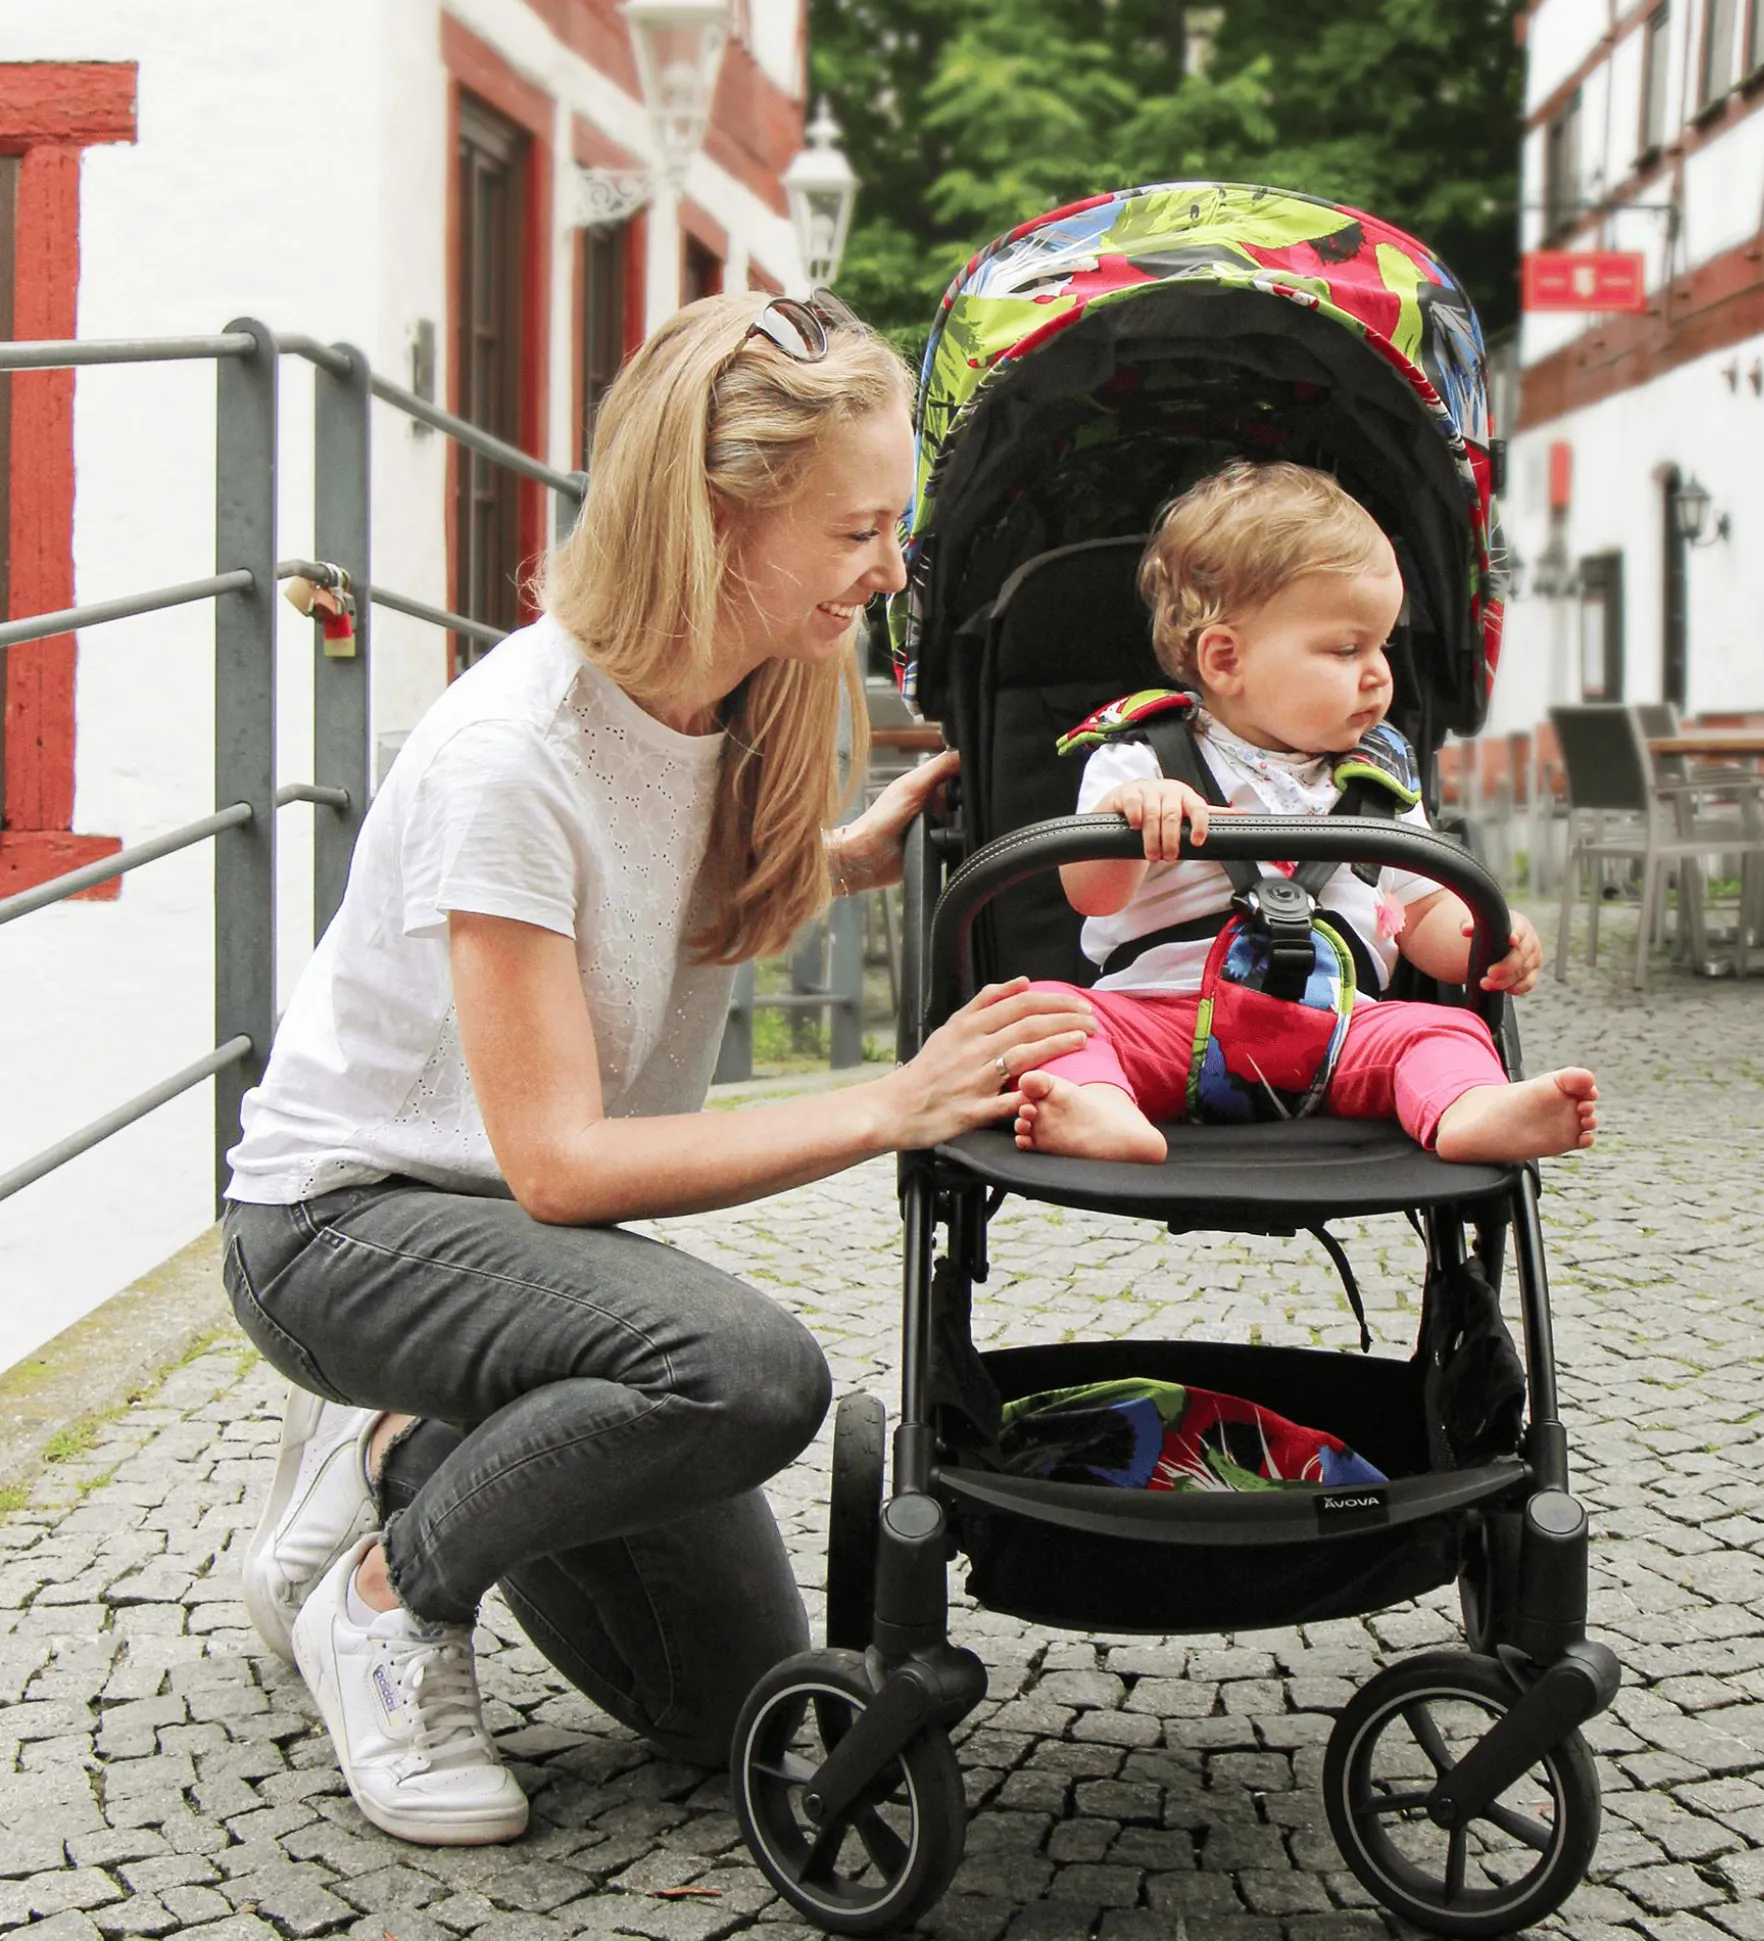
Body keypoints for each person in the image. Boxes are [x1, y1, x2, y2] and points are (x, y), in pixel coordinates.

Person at [221, 291, 1096, 1849]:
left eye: (893, 527)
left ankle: (400, 1448)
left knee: (718, 1705)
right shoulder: (509, 755)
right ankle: (389, 1599)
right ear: (714, 520)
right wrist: (889, 1102)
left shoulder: (741, 693)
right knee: (746, 1375)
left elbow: (645, 898)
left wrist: (837, 857)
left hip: (521, 1250)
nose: (889, 570)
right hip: (345, 1225)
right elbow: (559, 1163)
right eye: (856, 532)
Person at [1011, 460, 1597, 1168]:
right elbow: (1090, 896)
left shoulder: (1377, 784)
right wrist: (1131, 822)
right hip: (1158, 1020)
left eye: (1383, 645)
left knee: (1440, 1028)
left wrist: (1486, 938)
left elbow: (1422, 917)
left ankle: (1470, 1107)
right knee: (1047, 1014)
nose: (1379, 673)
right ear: (1225, 660)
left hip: (1340, 1034)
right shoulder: (1143, 760)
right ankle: (1098, 1105)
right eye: (1347, 649)